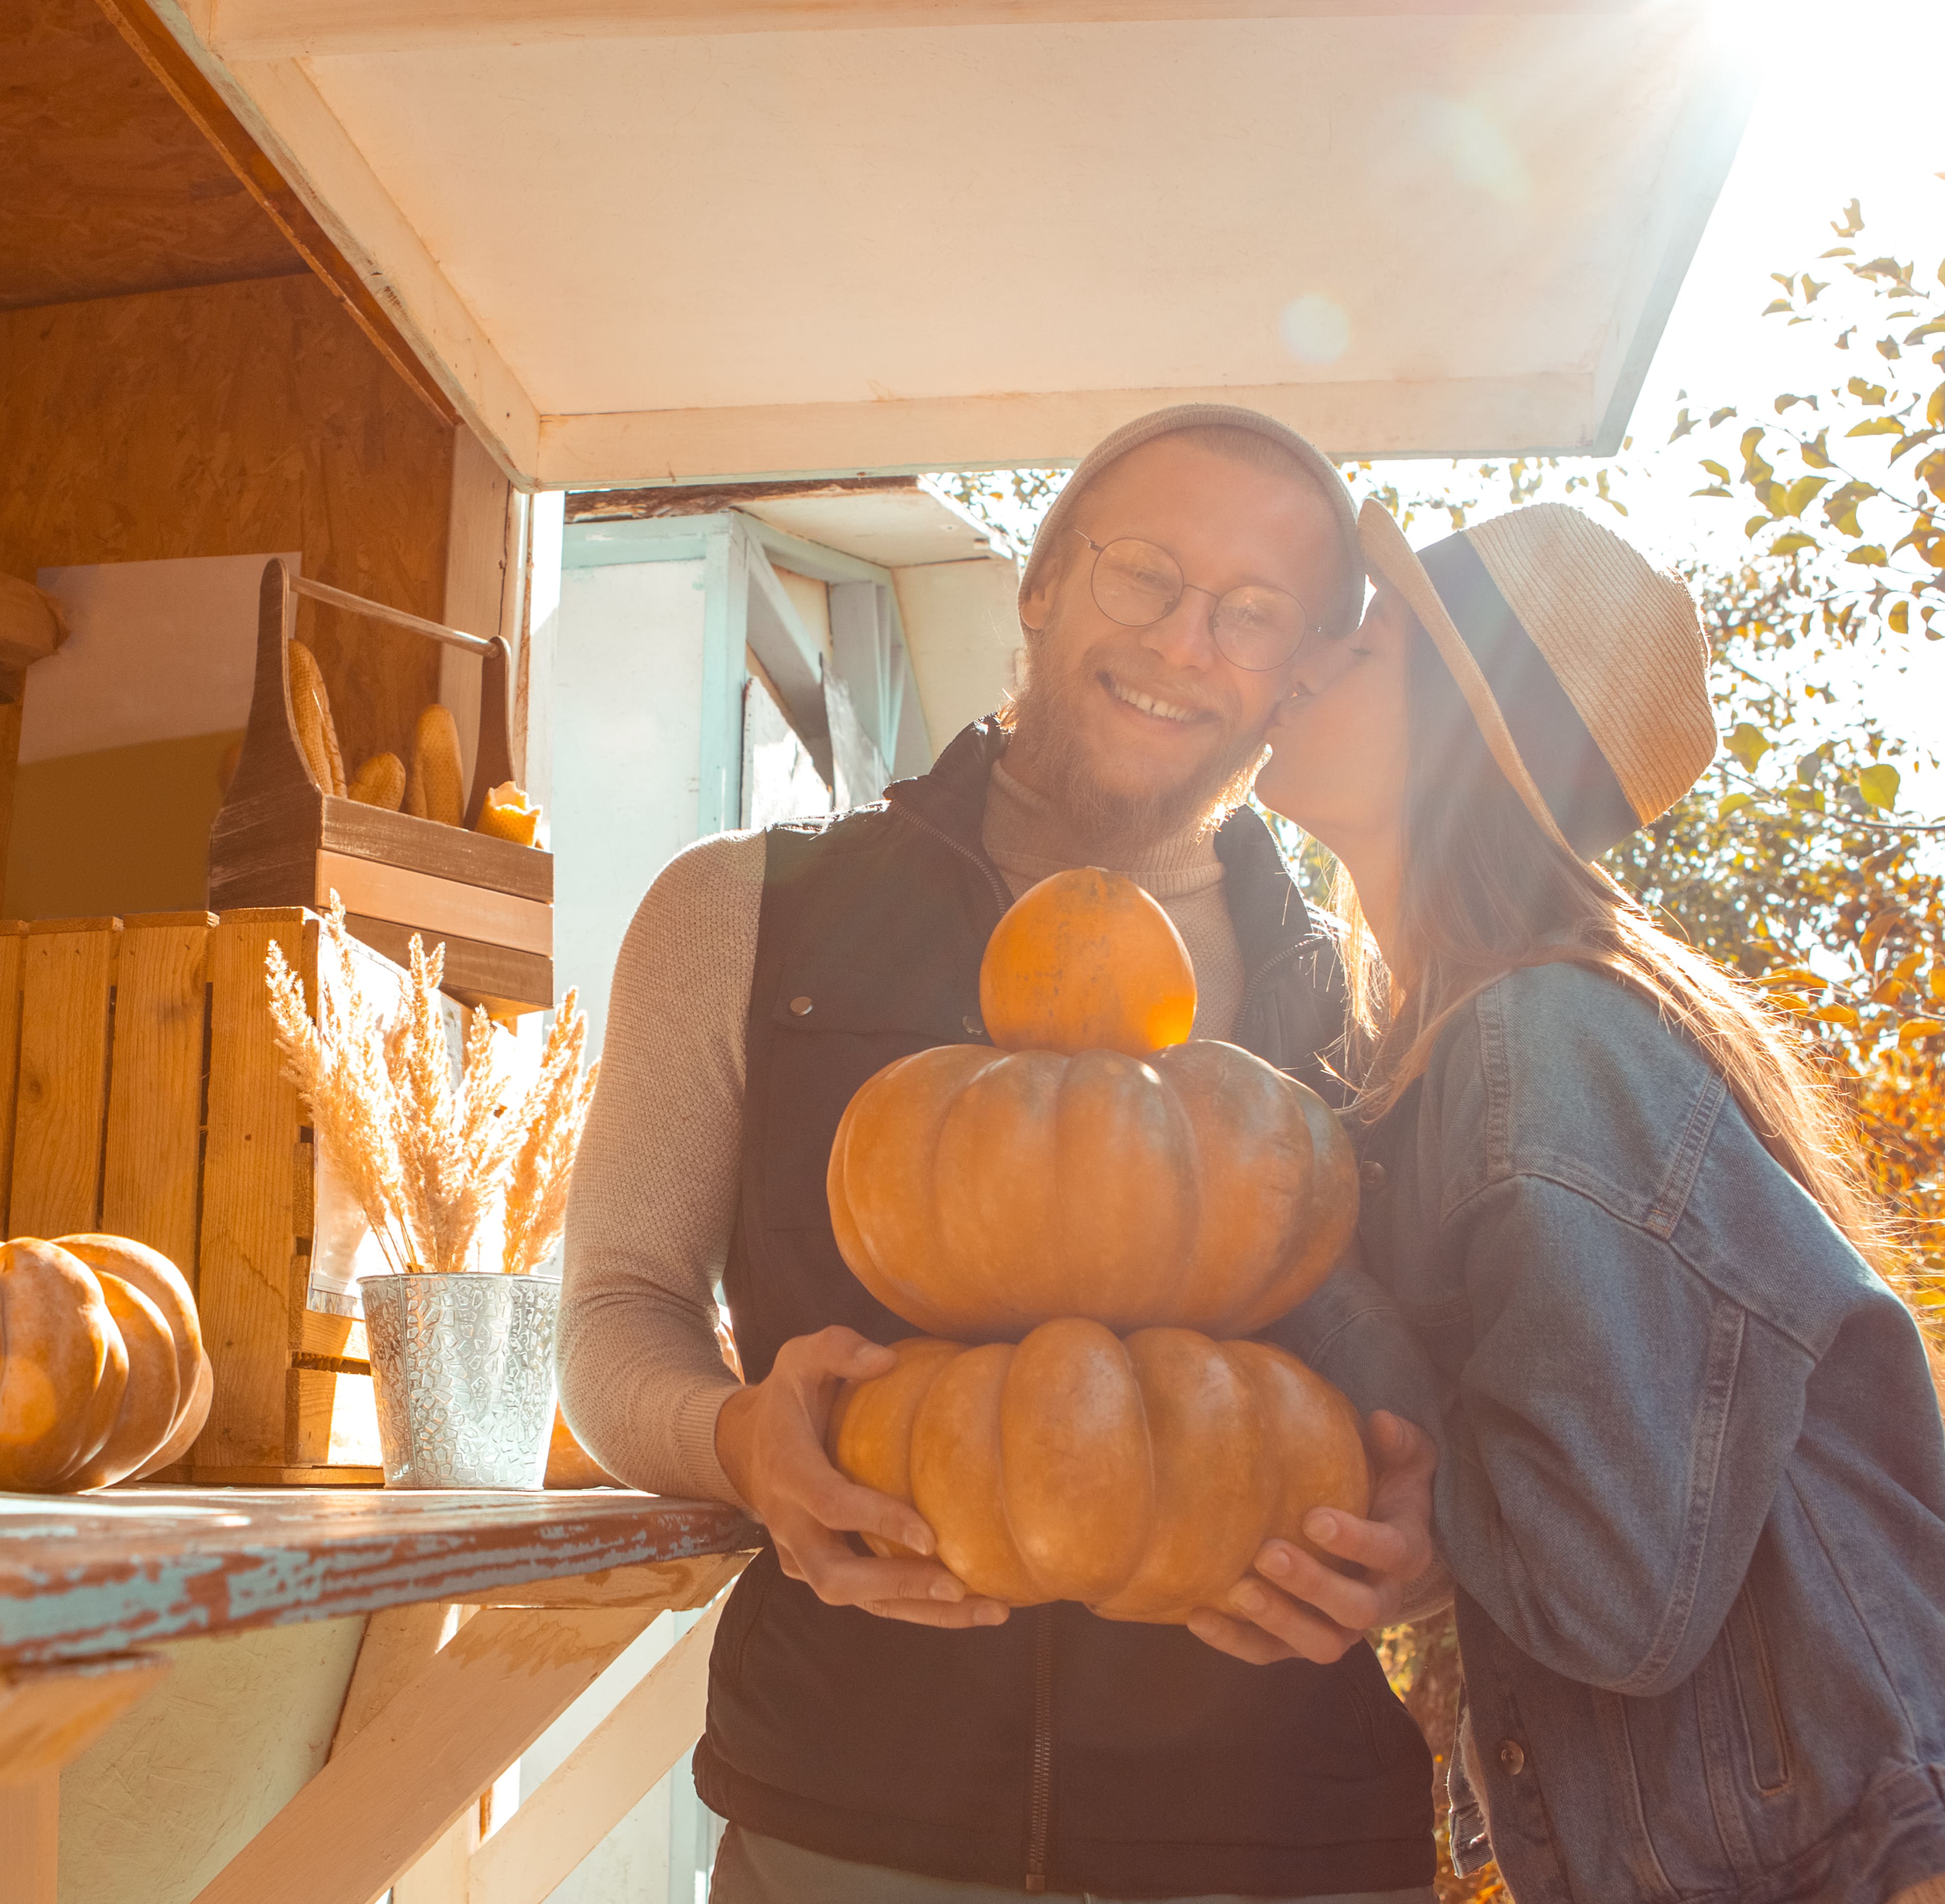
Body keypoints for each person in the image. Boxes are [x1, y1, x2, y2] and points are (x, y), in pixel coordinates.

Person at [561, 405, 1447, 1902]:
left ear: (1297, 676)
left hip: (1283, 1840)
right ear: (1041, 583)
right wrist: (739, 1441)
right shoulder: (745, 913)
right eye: (1143, 574)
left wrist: (1432, 1551)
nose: (1183, 642)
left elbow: (1479, 1405)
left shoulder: (1384, 1000)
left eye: (1252, 614)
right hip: (854, 1827)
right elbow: (613, 1309)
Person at [1245, 499, 1945, 1904]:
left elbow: (1603, 1586)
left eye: (1367, 648)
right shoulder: (1460, 1055)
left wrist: (1313, 1287)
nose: (1309, 657)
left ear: (1463, 741)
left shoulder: (1543, 1041)